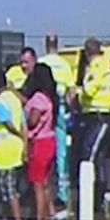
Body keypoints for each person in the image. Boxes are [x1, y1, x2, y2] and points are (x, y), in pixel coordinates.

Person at [75, 36, 110, 215]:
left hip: (98, 116)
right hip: (102, 116)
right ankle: (97, 202)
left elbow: (89, 90)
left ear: (87, 53)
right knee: (99, 160)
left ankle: (89, 200)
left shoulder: (95, 67)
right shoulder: (106, 66)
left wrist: (77, 92)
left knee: (88, 157)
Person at [0, 68, 27, 220]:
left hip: (4, 151)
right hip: (16, 147)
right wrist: (24, 141)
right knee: (6, 187)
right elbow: (23, 123)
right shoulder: (15, 99)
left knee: (9, 190)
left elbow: (8, 123)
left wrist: (18, 133)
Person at [22, 61, 59, 220]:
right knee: (45, 184)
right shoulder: (50, 97)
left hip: (39, 143)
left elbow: (33, 121)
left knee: (37, 184)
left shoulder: (38, 98)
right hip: (50, 139)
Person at [38, 34, 74, 206]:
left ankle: (41, 187)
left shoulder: (41, 62)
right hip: (59, 107)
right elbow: (70, 93)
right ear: (57, 45)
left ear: (46, 45)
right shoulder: (64, 64)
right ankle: (63, 192)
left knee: (41, 145)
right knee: (62, 152)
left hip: (44, 107)